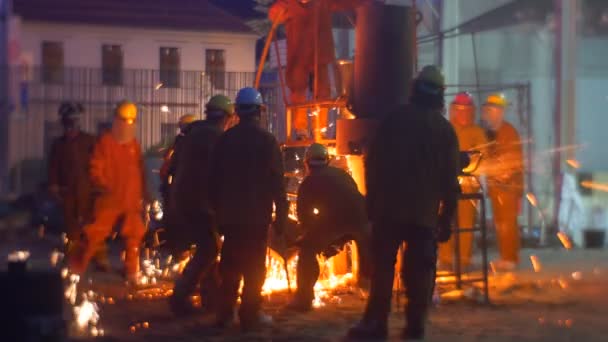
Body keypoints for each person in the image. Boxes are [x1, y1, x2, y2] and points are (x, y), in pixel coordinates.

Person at [347, 66, 461, 340]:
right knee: (420, 271)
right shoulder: (445, 130)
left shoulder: (394, 120)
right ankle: (414, 326)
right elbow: (450, 181)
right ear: (440, 95)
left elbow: (372, 163)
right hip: (423, 215)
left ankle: (376, 324)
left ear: (415, 89)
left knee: (383, 268)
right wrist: (446, 218)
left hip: (389, 209)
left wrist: (371, 203)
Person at [210, 87, 288, 331]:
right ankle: (249, 316)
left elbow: (214, 181)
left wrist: (217, 214)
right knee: (254, 270)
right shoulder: (267, 141)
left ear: (238, 112)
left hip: (230, 218)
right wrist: (282, 218)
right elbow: (277, 182)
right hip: (256, 218)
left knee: (230, 267)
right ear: (259, 112)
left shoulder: (225, 140)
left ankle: (224, 315)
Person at [168, 95, 236, 315]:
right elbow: (221, 172)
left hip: (182, 198)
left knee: (208, 245)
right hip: (199, 201)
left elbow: (173, 168)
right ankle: (180, 298)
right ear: (226, 117)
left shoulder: (192, 133)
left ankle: (210, 297)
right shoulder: (215, 137)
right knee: (209, 248)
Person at [69, 100, 148, 283]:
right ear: (117, 120)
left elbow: (139, 171)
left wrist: (143, 194)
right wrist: (105, 186)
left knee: (134, 237)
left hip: (130, 199)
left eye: (130, 122)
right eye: (124, 121)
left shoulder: (133, 145)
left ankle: (132, 273)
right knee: (94, 234)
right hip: (110, 199)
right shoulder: (106, 142)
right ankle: (75, 268)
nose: (127, 125)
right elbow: (95, 168)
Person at [286, 143, 369, 312]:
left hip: (337, 221)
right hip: (365, 220)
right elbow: (351, 200)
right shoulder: (342, 174)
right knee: (367, 250)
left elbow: (305, 218)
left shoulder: (308, 183)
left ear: (306, 162)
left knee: (307, 251)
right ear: (328, 160)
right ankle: (373, 292)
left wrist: (308, 237)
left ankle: (303, 299)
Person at [269, 0, 360, 141]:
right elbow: (274, 15)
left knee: (323, 91)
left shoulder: (322, 2)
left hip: (320, 55)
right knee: (298, 89)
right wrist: (281, 8)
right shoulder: (289, 4)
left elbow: (344, 2)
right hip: (299, 56)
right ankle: (301, 130)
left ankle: (320, 129)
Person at [48, 102, 110, 270]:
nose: (70, 126)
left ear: (78, 122)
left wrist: (100, 184)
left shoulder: (89, 141)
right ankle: (74, 262)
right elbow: (53, 167)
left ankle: (99, 259)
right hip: (68, 192)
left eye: (73, 122)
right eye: (67, 122)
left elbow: (99, 163)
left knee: (94, 226)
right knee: (72, 230)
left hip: (88, 190)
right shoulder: (59, 145)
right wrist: (54, 185)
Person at [438, 92, 488, 270]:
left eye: (467, 110)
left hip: (469, 183)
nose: (463, 114)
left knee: (467, 222)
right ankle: (445, 259)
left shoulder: (477, 132)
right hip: (447, 182)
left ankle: (464, 260)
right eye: (460, 110)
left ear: (472, 112)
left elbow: (484, 155)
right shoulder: (446, 129)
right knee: (446, 219)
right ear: (453, 111)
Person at [482, 93, 524, 271]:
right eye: (488, 111)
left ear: (499, 112)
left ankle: (511, 259)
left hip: (508, 187)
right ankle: (505, 256)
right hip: (496, 187)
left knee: (508, 223)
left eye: (491, 111)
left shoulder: (509, 132)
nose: (488, 115)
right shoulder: (491, 132)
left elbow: (512, 161)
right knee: (500, 224)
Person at [159, 114, 197, 207]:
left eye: (184, 126)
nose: (182, 129)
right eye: (181, 126)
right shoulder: (179, 140)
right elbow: (169, 160)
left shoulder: (194, 142)